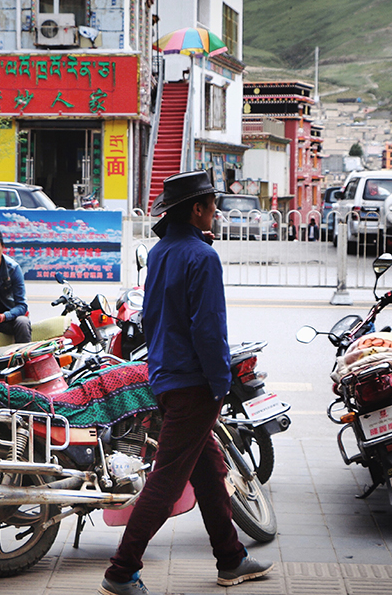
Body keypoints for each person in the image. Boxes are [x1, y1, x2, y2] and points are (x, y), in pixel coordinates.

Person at [99, 170, 272, 595]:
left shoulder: (160, 253)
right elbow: (208, 329)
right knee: (166, 482)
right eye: (212, 205)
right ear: (197, 210)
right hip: (194, 384)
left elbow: (154, 315)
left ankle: (231, 558)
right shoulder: (202, 257)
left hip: (165, 377)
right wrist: (220, 382)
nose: (216, 212)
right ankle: (121, 571)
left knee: (210, 471)